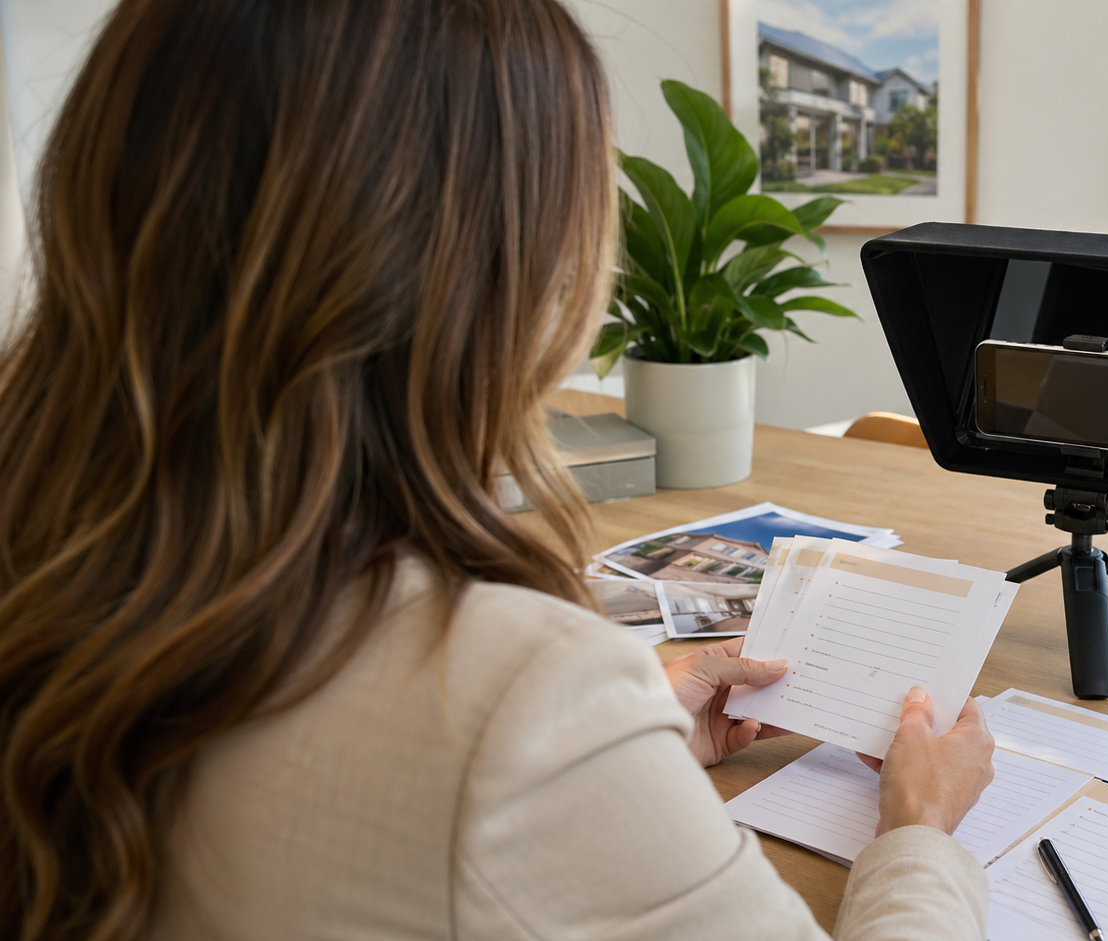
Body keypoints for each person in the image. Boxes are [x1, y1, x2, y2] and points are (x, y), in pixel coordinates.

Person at [0, 2, 997, 940]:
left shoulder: (50, 552)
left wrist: (628, 749)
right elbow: (468, 760)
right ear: (505, 273)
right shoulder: (507, 694)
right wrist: (918, 829)